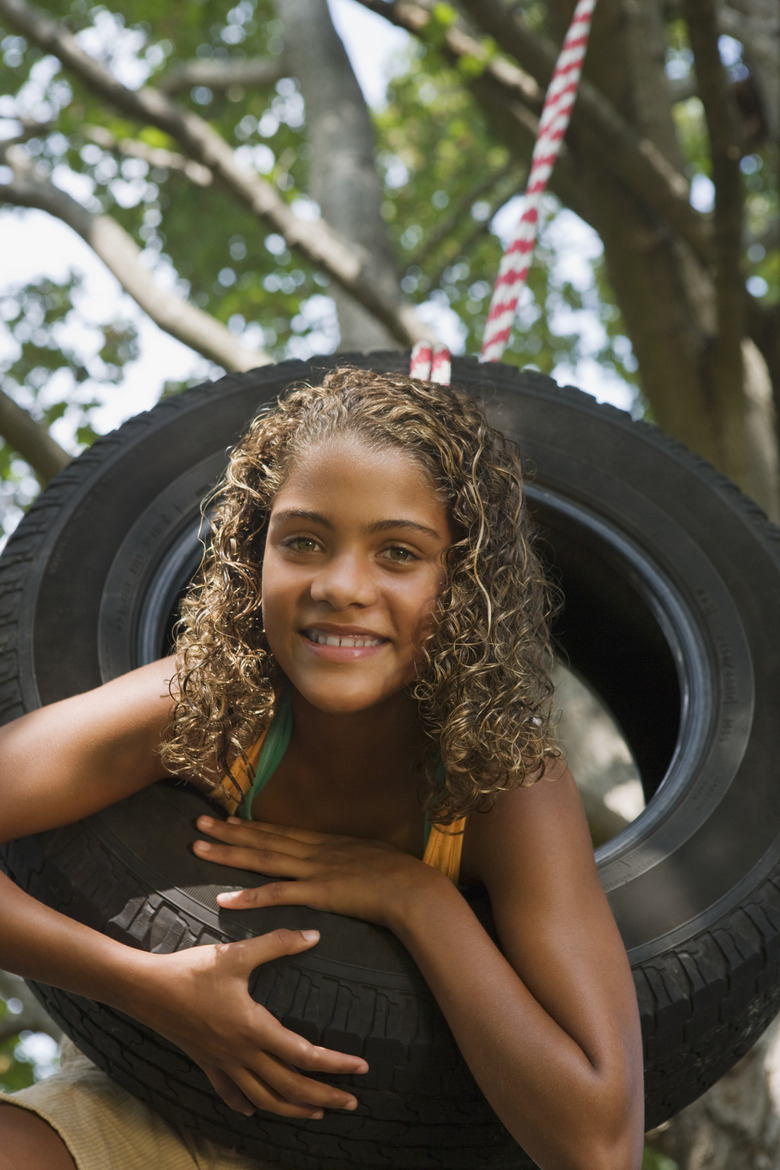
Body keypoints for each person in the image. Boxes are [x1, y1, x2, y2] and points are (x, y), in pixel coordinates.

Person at [0, 367, 644, 1170]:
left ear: (465, 584)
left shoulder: (502, 788)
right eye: (304, 541)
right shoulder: (210, 708)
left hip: (391, 1146)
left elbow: (599, 1143)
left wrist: (415, 896)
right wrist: (144, 987)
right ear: (252, 551)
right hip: (154, 1101)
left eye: (399, 554)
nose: (342, 587)